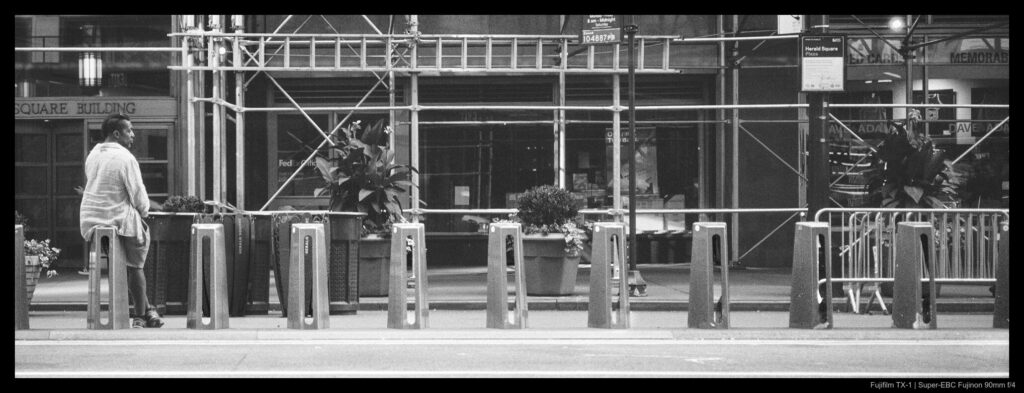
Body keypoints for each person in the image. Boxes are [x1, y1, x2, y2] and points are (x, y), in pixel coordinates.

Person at [80, 112, 164, 328]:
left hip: (94, 221)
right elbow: (137, 193)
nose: (133, 135)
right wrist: (145, 211)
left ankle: (148, 311)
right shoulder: (126, 158)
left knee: (123, 265)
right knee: (136, 266)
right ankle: (140, 315)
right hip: (120, 219)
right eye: (129, 130)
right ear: (116, 133)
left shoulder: (93, 155)